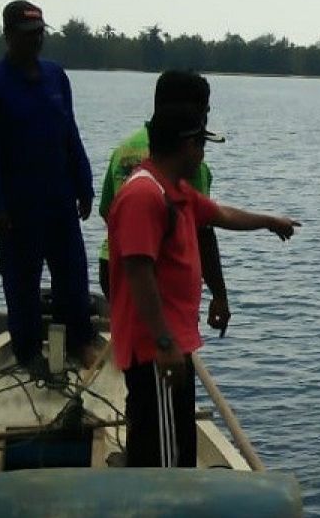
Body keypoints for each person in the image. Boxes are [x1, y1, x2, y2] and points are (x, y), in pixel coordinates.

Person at [107, 104, 299, 467]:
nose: (203, 154)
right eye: (201, 145)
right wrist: (163, 343)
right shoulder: (144, 195)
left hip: (172, 346)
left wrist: (270, 221)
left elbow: (220, 214)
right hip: (154, 352)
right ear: (187, 146)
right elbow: (138, 272)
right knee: (161, 462)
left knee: (176, 452)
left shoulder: (174, 191)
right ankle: (158, 516)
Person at [0, 0, 98, 369]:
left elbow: (70, 134)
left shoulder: (56, 76)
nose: (35, 41)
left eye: (40, 33)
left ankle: (79, 340)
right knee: (21, 281)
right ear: (8, 36)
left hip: (60, 198)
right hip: (17, 206)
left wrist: (84, 184)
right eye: (27, 35)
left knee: (72, 274)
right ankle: (27, 351)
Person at [98, 71, 230, 335]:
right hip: (159, 276)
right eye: (205, 111)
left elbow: (107, 210)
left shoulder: (124, 149)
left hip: (111, 265)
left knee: (136, 353)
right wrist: (219, 295)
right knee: (166, 357)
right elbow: (202, 231)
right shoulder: (185, 161)